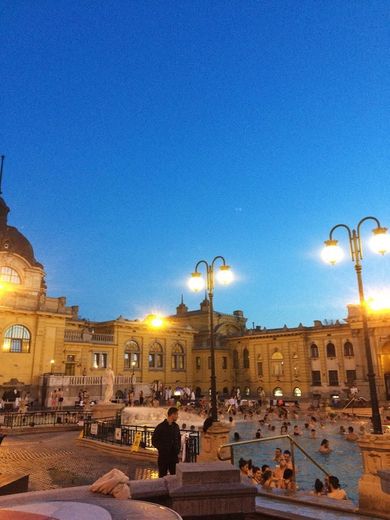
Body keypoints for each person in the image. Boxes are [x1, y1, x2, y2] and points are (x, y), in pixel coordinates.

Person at [152, 407, 181, 477]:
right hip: (163, 457)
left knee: (175, 477)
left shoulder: (176, 427)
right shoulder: (160, 427)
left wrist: (178, 449)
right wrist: (162, 449)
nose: (177, 416)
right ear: (172, 414)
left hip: (174, 457)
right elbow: (154, 441)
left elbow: (178, 439)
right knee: (162, 477)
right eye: (176, 414)